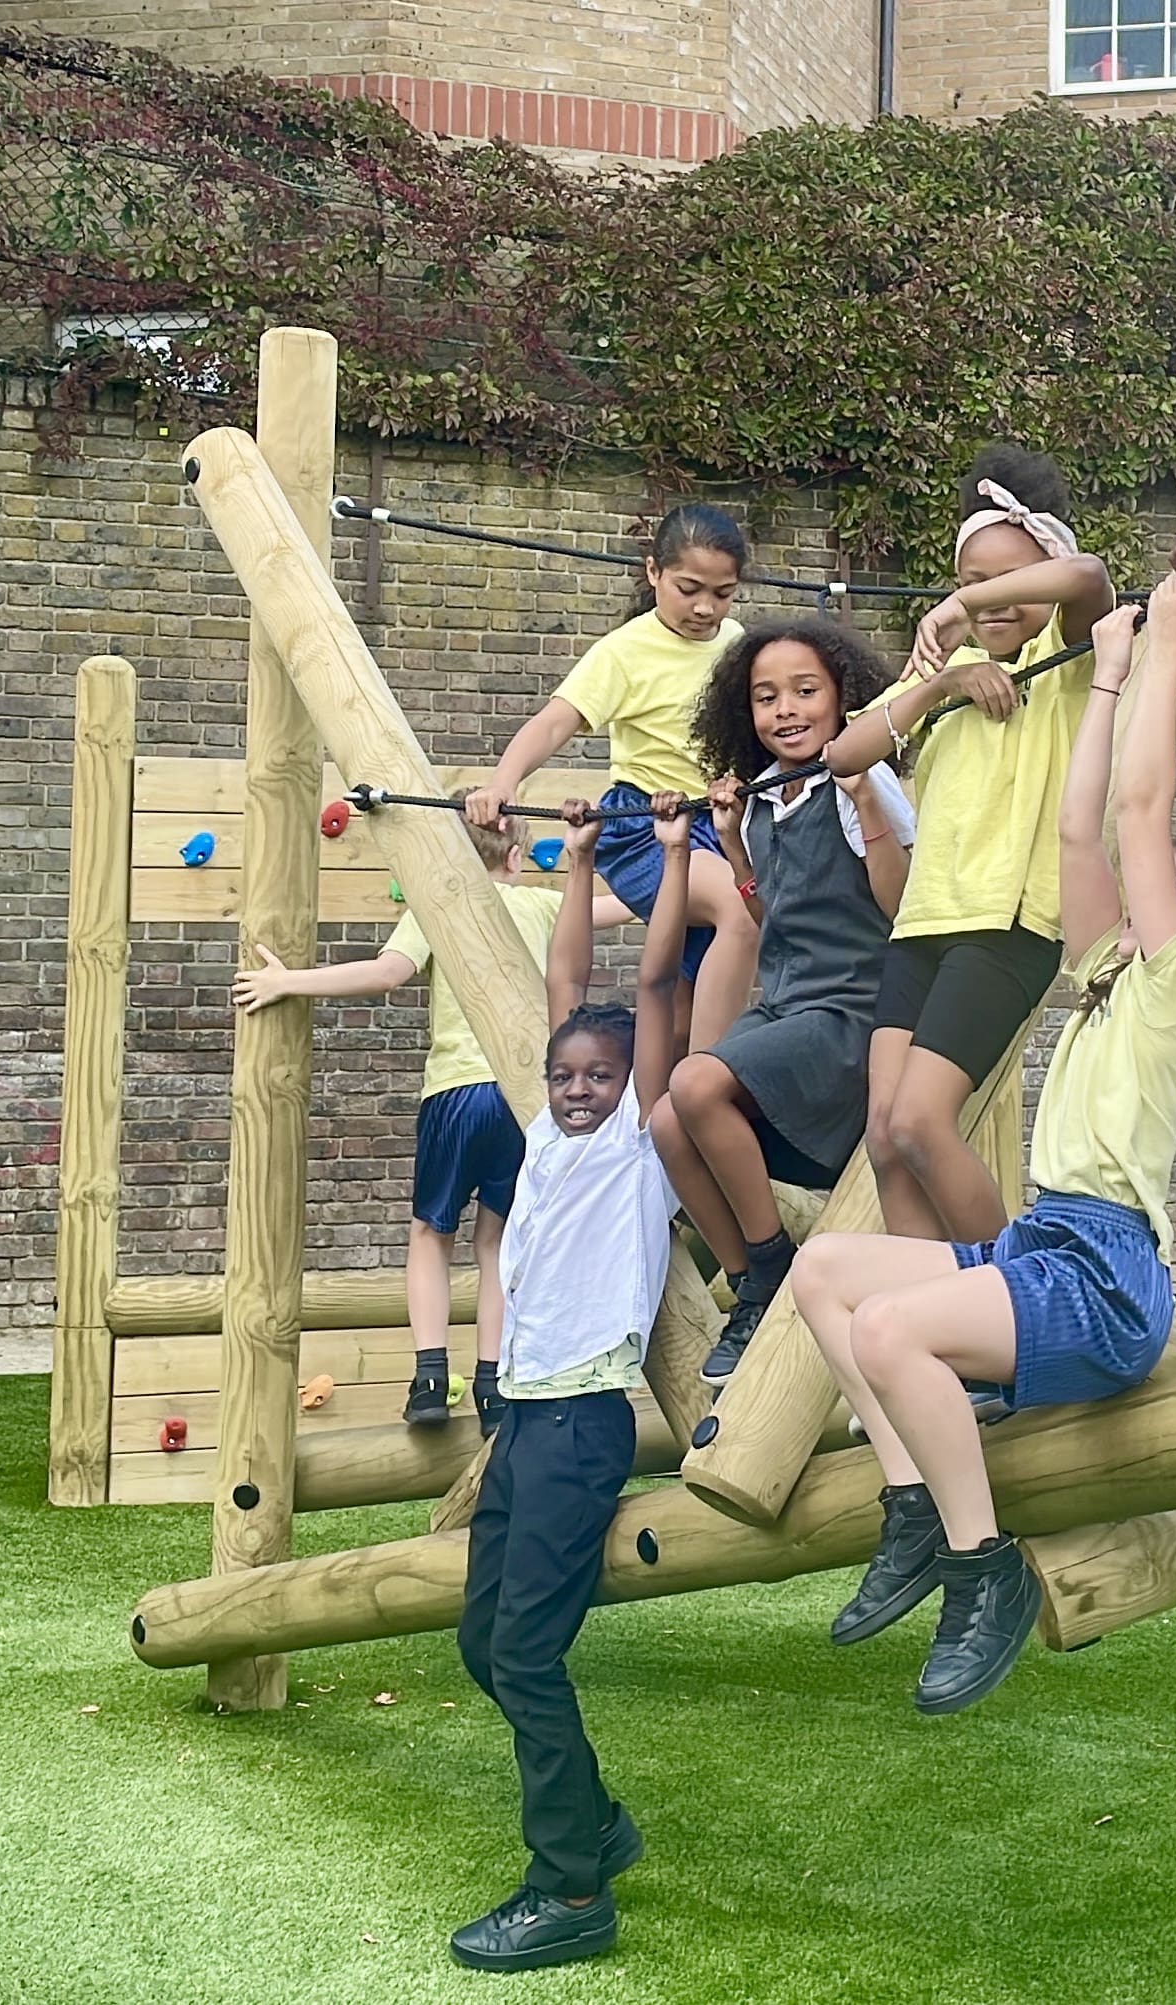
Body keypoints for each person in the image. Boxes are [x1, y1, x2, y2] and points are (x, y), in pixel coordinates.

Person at [788, 578, 1176, 1714]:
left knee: (896, 1328)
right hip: (1046, 1247)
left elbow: (1143, 810)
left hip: (1105, 1278)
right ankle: (914, 1504)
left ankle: (982, 1562)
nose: (1152, 885)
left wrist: (1168, 649)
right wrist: (1101, 676)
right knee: (825, 1272)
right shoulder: (1109, 973)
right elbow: (1080, 824)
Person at [442, 789, 688, 1974]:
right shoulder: (546, 1137)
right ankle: (595, 1820)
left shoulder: (641, 1142)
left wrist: (680, 857)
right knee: (483, 1646)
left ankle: (571, 1885)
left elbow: (644, 995)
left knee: (529, 1655)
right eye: (566, 1073)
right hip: (522, 1419)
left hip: (587, 1415)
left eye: (599, 1073)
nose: (581, 1085)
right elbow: (565, 981)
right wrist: (579, 860)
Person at [831, 445, 1113, 1242]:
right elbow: (843, 753)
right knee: (886, 1138)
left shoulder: (1066, 660)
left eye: (1005, 583)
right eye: (968, 583)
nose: (988, 601)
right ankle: (935, 1320)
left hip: (1007, 923)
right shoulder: (947, 673)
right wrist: (940, 680)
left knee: (921, 1121)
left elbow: (1087, 577)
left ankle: (1010, 1293)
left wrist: (965, 605)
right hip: (922, 924)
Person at [231, 809, 588, 1430]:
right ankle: (491, 1384)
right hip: (523, 1098)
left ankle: (428, 1376)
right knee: (497, 1242)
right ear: (515, 856)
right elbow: (612, 910)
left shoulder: (435, 907)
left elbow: (386, 973)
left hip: (455, 1092)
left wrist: (290, 980)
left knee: (431, 1233)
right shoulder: (541, 904)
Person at [648, 618, 917, 1378]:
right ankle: (750, 1280)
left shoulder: (858, 783)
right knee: (668, 1121)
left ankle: (770, 1269)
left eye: (805, 691)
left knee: (693, 1080)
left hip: (851, 1013)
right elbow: (775, 918)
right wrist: (732, 841)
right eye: (766, 697)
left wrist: (863, 793)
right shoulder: (767, 797)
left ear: (841, 698)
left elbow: (898, 905)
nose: (786, 709)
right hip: (788, 1006)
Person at [466, 503, 761, 1050]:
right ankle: (713, 1076)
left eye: (722, 593)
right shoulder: (623, 651)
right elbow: (556, 721)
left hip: (718, 826)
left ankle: (661, 1103)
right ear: (653, 572)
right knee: (741, 908)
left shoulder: (737, 643)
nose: (705, 607)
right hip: (649, 826)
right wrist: (504, 783)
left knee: (681, 1008)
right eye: (689, 587)